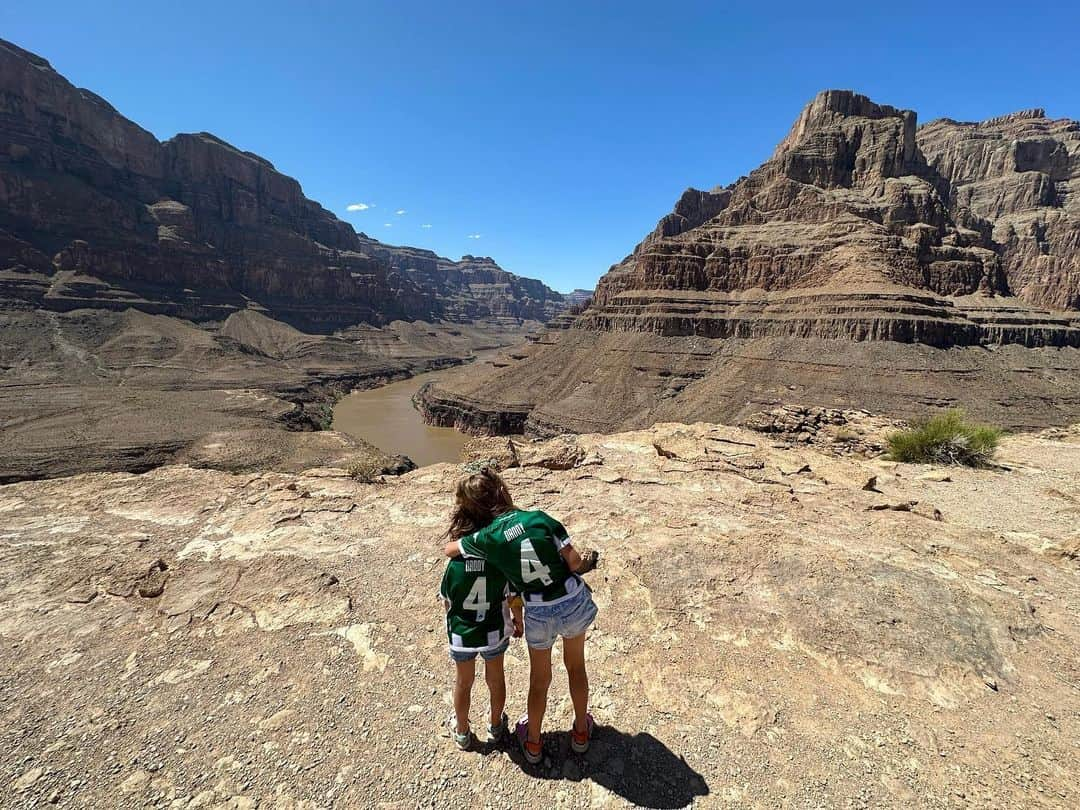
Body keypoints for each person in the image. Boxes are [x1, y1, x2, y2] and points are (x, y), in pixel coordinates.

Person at [443, 468, 598, 765]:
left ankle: (534, 743)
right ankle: (580, 733)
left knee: (539, 680)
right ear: (502, 491)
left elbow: (451, 549)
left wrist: (479, 542)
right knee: (576, 667)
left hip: (538, 612)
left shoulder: (487, 538)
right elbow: (575, 562)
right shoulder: (539, 518)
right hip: (571, 602)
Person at [440, 547, 523, 750]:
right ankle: (495, 726)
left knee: (463, 682)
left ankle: (462, 732)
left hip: (462, 634)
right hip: (493, 632)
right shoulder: (499, 561)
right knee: (496, 680)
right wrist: (519, 621)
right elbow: (513, 597)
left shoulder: (455, 564)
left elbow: (446, 599)